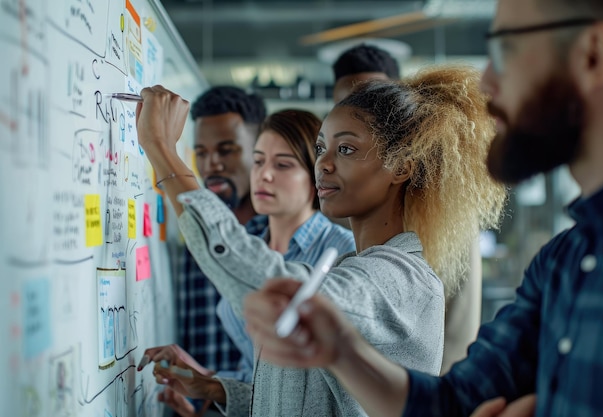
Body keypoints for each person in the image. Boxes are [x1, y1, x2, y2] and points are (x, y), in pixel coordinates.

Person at [243, 0, 603, 416]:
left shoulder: (402, 272)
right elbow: (454, 402)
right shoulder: (560, 264)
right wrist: (340, 350)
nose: (487, 81)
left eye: (505, 50)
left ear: (594, 54)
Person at [134, 63, 505, 416]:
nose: (323, 164)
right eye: (321, 148)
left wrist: (163, 152)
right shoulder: (354, 267)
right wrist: (217, 390)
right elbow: (318, 402)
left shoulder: (403, 279)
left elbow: (276, 293)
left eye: (345, 149)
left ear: (401, 166)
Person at [157, 109, 356, 416]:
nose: (264, 174)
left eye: (283, 165)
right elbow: (260, 373)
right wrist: (204, 382)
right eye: (259, 160)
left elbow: (323, 386)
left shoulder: (343, 252)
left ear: (316, 174)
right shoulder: (252, 243)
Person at [333, 42, 485, 374]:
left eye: (374, 100)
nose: (361, 113)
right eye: (347, 104)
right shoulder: (325, 198)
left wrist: (436, 401)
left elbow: (459, 324)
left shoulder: (441, 204)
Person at [169, 86, 267, 414]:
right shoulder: (190, 233)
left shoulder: (276, 242)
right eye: (201, 151)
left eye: (226, 150)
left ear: (259, 151)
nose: (212, 165)